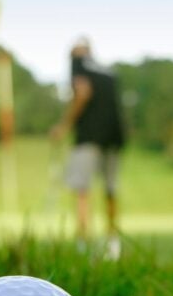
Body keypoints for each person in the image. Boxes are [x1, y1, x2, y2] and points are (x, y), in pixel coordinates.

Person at [50, 37, 125, 259]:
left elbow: (82, 94)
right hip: (114, 137)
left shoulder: (78, 65)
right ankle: (113, 244)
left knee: (82, 189)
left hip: (88, 138)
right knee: (111, 189)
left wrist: (63, 127)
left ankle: (83, 244)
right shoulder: (109, 72)